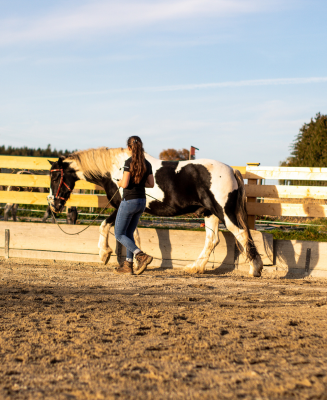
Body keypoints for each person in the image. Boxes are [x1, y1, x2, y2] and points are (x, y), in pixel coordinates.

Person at [115, 136, 155, 275]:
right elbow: (151, 184)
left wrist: (119, 182)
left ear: (129, 148)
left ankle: (141, 255)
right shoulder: (147, 163)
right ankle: (128, 265)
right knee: (128, 233)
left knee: (119, 234)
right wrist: (138, 182)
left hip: (129, 201)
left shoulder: (129, 162)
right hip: (141, 202)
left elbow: (125, 184)